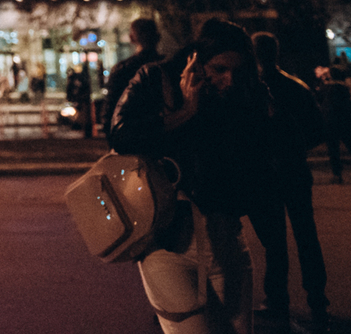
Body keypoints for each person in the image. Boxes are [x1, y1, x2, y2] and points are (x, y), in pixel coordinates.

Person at [110, 18, 275, 334]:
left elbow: (260, 166)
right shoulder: (154, 78)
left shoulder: (246, 94)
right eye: (220, 69)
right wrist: (185, 112)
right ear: (197, 61)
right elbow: (120, 135)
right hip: (169, 244)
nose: (229, 78)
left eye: (238, 71)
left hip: (227, 237)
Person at [248, 32, 330, 330]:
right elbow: (318, 130)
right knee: (306, 235)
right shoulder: (298, 87)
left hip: (266, 174)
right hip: (295, 169)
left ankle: (277, 299)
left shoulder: (252, 91)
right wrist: (295, 148)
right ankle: (317, 298)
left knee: (274, 241)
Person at [103, 18, 163, 139]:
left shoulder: (122, 70)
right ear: (158, 37)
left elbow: (110, 113)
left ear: (132, 38)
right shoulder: (169, 67)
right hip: (164, 137)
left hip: (131, 139)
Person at [314, 66, 351, 185]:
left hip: (331, 122)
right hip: (346, 122)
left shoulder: (325, 88)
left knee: (333, 150)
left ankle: (337, 175)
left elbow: (318, 100)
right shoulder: (344, 88)